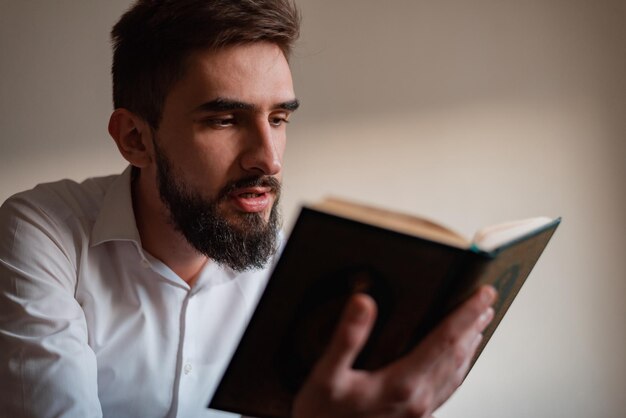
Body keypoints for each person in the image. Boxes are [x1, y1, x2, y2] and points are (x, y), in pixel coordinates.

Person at [0, 1, 497, 417]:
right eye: (224, 119)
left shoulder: (300, 273)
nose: (269, 158)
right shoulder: (42, 234)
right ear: (135, 139)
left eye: (278, 117)